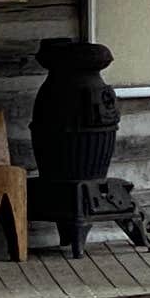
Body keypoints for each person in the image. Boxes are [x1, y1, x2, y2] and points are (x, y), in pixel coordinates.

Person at [29, 37, 121, 253]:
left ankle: (74, 233)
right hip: (58, 173)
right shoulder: (57, 88)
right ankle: (74, 236)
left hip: (70, 169)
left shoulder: (56, 87)